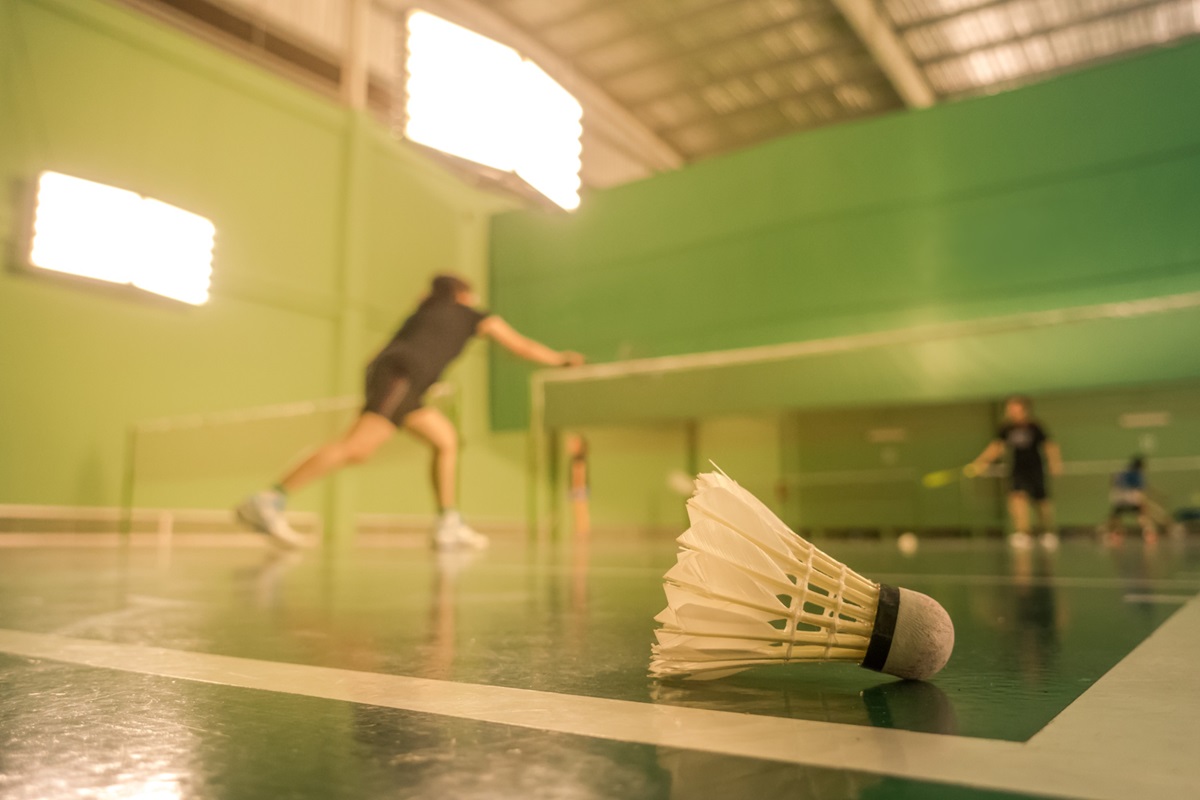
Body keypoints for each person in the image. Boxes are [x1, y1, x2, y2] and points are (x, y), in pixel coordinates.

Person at [236, 274, 583, 549]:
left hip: (401, 378)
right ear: (462, 294)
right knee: (357, 448)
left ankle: (448, 523)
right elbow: (519, 346)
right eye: (470, 293)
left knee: (446, 441)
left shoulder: (425, 311)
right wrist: (561, 359)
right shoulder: (473, 314)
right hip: (403, 375)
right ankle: (269, 500)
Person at [969, 395, 1062, 549]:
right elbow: (997, 446)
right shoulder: (1006, 428)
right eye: (1009, 408)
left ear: (1024, 409)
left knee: (1042, 501)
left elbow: (1049, 445)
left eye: (1014, 408)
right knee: (1016, 498)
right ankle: (1023, 532)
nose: (1011, 411)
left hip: (1035, 467)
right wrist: (981, 462)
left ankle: (1047, 531)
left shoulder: (1035, 426)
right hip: (1017, 468)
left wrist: (1055, 463)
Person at [1105, 456, 1166, 544]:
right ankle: (1149, 534)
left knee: (1116, 516)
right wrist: (1142, 503)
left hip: (1118, 499)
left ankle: (1114, 534)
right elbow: (1139, 490)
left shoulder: (1121, 472)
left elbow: (1113, 482)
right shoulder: (1136, 474)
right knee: (1142, 515)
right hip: (1130, 499)